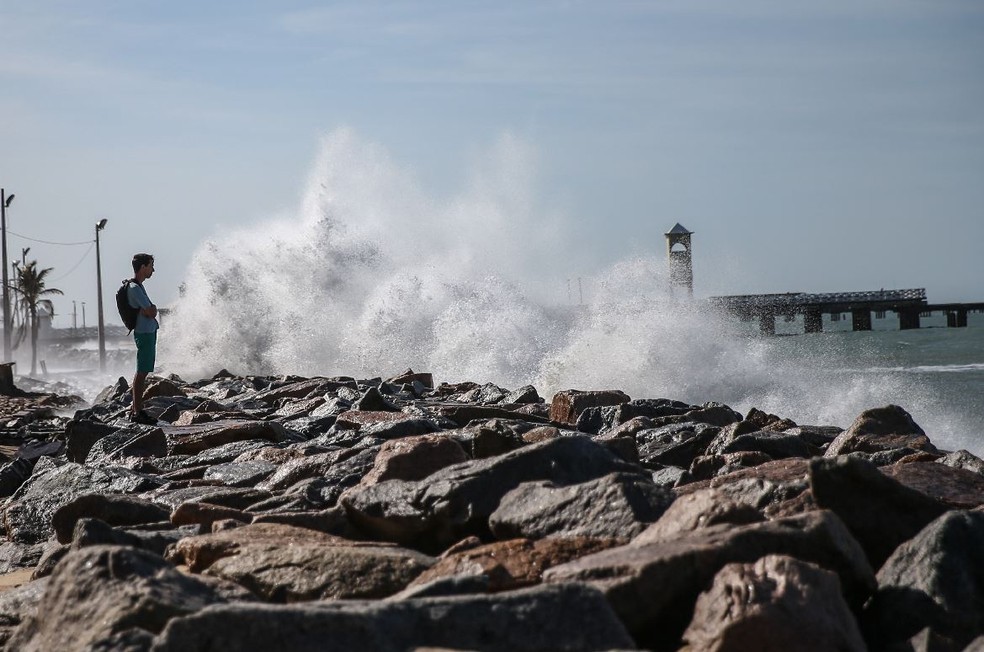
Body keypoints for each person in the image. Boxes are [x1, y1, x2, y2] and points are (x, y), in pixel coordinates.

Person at [128, 253, 158, 424]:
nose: (153, 270)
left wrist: (150, 310)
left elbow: (149, 311)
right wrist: (152, 309)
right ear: (143, 267)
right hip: (144, 333)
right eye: (151, 266)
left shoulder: (138, 286)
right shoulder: (134, 288)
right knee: (141, 373)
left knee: (142, 372)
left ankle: (135, 410)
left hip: (147, 332)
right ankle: (137, 412)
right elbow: (151, 311)